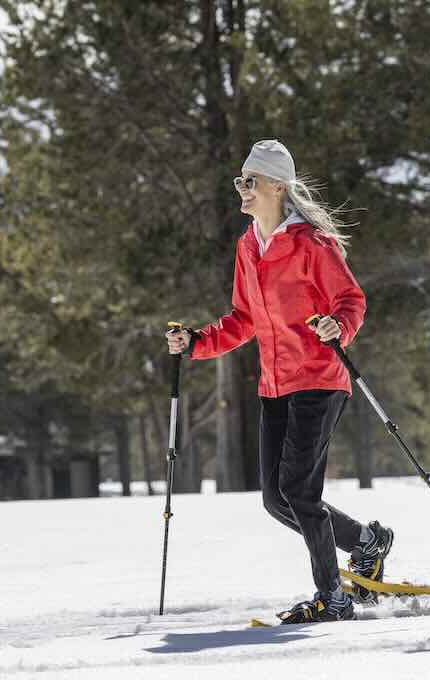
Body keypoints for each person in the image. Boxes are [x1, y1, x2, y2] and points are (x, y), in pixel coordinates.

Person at [166, 139, 393, 624]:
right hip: (274, 385)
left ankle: (332, 597)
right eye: (239, 181)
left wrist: (339, 326)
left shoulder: (312, 243)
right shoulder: (248, 246)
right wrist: (197, 342)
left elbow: (351, 301)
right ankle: (367, 542)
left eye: (250, 181)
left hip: (319, 378)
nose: (242, 189)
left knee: (298, 491)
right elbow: (244, 318)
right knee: (276, 498)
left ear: (276, 186)